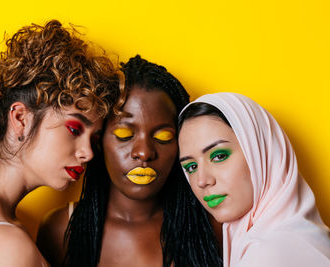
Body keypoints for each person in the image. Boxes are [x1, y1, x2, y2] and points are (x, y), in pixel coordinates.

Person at [0, 20, 124, 267]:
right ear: (20, 119)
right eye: (73, 129)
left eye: (94, 139)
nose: (88, 153)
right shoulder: (8, 248)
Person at [37, 55, 222, 267]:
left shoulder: (210, 227)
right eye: (125, 134)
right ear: (99, 141)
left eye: (163, 137)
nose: (144, 153)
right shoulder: (59, 229)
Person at [178, 92, 330, 267]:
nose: (201, 181)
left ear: (261, 154)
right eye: (191, 167)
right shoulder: (303, 236)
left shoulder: (268, 253)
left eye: (219, 156)